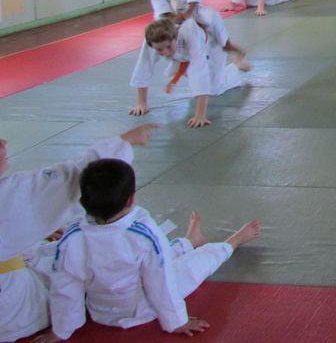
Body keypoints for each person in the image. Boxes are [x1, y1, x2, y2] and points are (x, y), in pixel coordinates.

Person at [44, 158, 260, 341]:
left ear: (82, 201)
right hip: (144, 307)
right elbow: (162, 282)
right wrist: (176, 321)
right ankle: (231, 242)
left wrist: (62, 330)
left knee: (163, 253)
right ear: (131, 199)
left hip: (101, 312)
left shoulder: (72, 238)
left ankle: (189, 241)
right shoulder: (143, 234)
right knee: (192, 266)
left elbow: (65, 286)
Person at [0, 125, 156, 343]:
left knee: (57, 253)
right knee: (79, 267)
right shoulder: (8, 194)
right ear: (130, 200)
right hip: (11, 315)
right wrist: (124, 141)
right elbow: (74, 180)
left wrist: (35, 231)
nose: (4, 144)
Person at [129, 17, 250, 128]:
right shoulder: (151, 39)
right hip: (183, 54)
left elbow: (199, 73)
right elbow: (143, 67)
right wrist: (141, 103)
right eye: (159, 50)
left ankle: (237, 64)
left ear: (175, 37)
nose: (165, 53)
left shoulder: (191, 38)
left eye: (168, 47)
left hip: (211, 47)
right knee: (182, 60)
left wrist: (200, 115)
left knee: (214, 89)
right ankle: (232, 49)